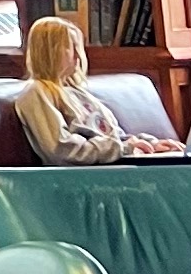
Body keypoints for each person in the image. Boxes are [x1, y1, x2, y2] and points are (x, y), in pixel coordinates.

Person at [13, 14, 178, 164]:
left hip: (116, 162)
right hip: (91, 174)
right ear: (52, 52)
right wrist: (123, 148)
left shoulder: (77, 91)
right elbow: (61, 150)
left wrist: (151, 144)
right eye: (73, 47)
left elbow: (115, 137)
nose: (79, 55)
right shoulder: (37, 93)